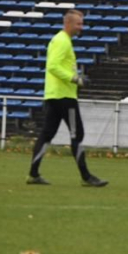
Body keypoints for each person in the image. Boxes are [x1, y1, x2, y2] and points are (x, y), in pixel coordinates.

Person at [27, 10, 108, 187]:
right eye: (78, 23)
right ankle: (86, 177)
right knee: (77, 133)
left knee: (47, 133)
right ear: (68, 23)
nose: (81, 27)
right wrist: (75, 79)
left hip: (55, 94)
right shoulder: (62, 41)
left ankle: (33, 174)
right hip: (64, 96)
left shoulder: (62, 40)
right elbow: (53, 66)